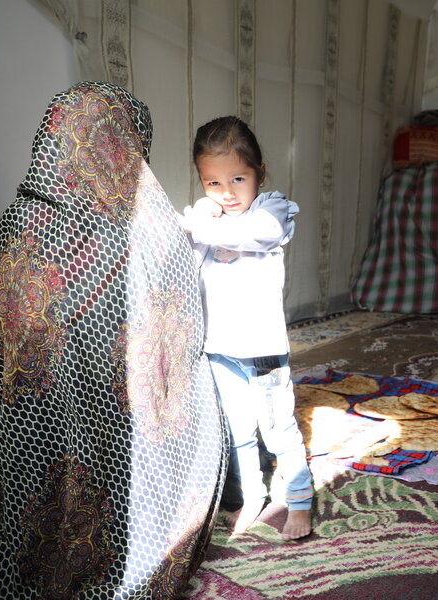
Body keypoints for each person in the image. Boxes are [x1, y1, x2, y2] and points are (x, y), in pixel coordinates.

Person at [0, 82, 228, 599]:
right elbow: (179, 338)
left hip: (31, 431)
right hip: (125, 435)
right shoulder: (147, 227)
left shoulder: (15, 222)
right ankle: (136, 538)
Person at [181, 116, 312, 541]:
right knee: (238, 430)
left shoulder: (270, 210)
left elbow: (259, 235)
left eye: (238, 177)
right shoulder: (209, 221)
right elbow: (184, 255)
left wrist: (206, 222)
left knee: (277, 430)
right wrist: (202, 215)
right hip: (219, 349)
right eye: (212, 183)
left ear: (259, 171)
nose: (227, 192)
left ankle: (300, 501)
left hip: (261, 350)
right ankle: (253, 494)